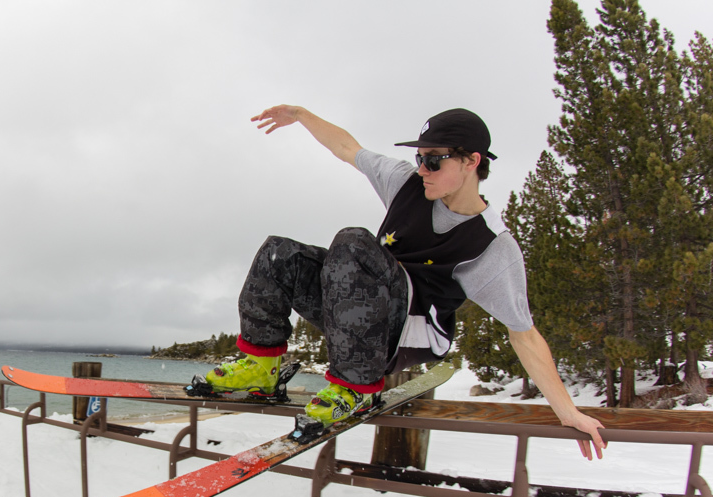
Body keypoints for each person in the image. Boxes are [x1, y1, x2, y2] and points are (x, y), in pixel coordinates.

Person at [201, 105, 607, 460]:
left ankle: (355, 388)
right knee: (281, 253)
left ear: (470, 162)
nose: (422, 169)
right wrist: (301, 115)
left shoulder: (492, 247)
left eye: (435, 160)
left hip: (409, 335)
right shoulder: (405, 183)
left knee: (353, 242)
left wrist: (568, 411)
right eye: (419, 157)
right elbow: (348, 148)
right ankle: (261, 365)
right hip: (357, 316)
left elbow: (525, 335)